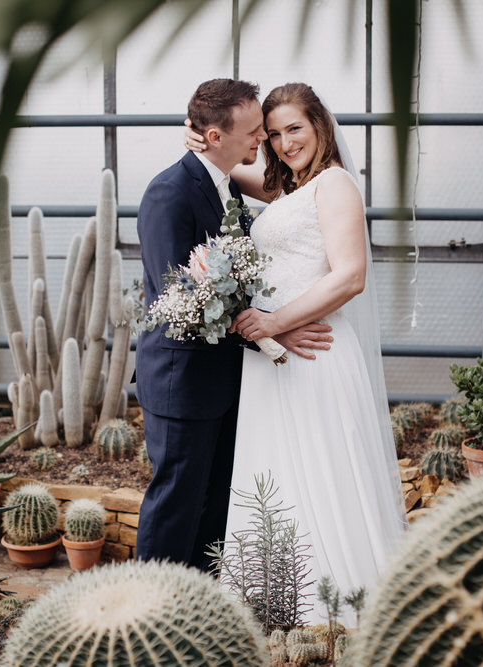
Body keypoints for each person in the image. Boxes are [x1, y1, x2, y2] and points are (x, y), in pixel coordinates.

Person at [186, 82, 407, 624]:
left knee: (324, 471)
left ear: (320, 127)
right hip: (273, 357)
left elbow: (350, 275)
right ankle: (275, 603)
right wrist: (204, 139)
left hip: (314, 353)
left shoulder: (333, 185)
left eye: (295, 129)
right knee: (279, 472)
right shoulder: (285, 191)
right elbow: (229, 167)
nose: (285, 143)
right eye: (275, 133)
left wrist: (275, 323)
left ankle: (338, 609)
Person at [135, 79, 334, 571]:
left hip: (225, 380)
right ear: (216, 137)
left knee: (212, 507)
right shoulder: (169, 192)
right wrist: (270, 331)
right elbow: (175, 299)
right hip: (181, 382)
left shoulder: (228, 190)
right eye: (254, 132)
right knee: (175, 503)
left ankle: (201, 608)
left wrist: (272, 323)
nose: (262, 142)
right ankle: (149, 613)